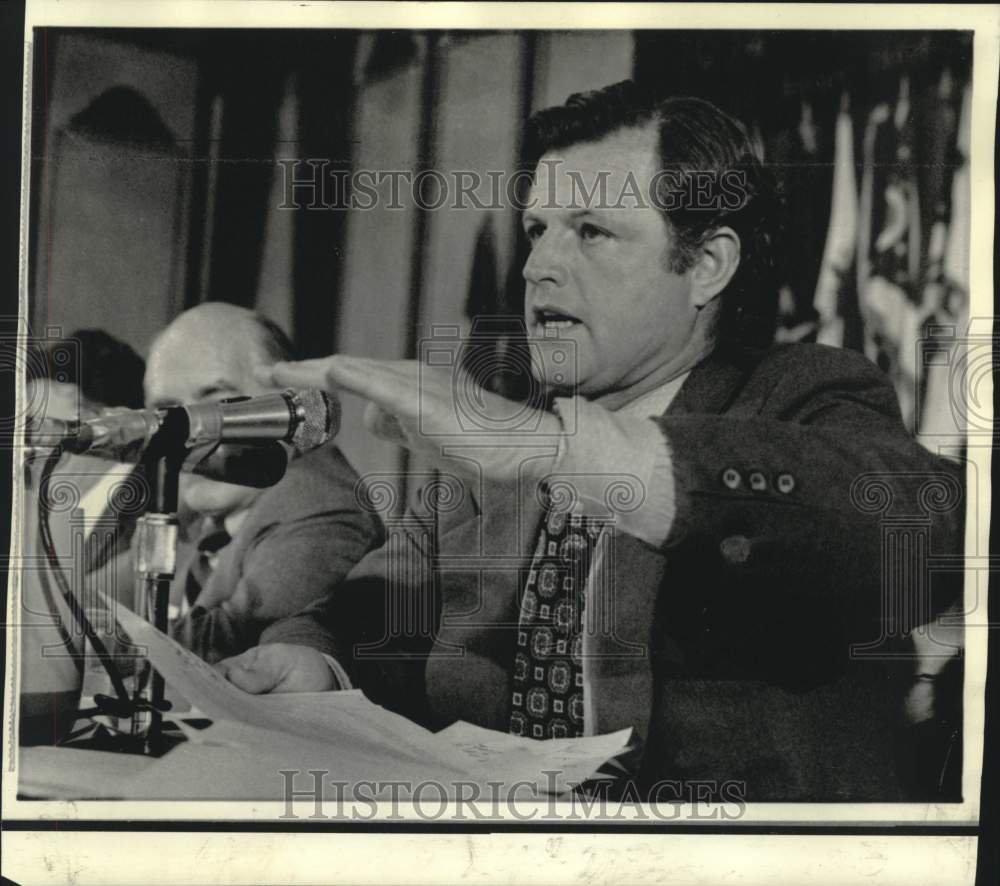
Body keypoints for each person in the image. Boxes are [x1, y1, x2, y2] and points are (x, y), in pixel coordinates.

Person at [216, 82, 964, 800]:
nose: (538, 266)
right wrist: (315, 661)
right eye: (538, 230)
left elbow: (924, 529)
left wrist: (573, 454)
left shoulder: (802, 394)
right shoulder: (504, 434)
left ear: (706, 264)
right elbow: (367, 614)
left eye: (592, 231)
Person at [142, 302, 384, 663]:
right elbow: (91, 601)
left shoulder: (317, 498)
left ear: (288, 406)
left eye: (218, 403)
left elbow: (219, 650)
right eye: (168, 409)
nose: (189, 433)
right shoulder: (187, 503)